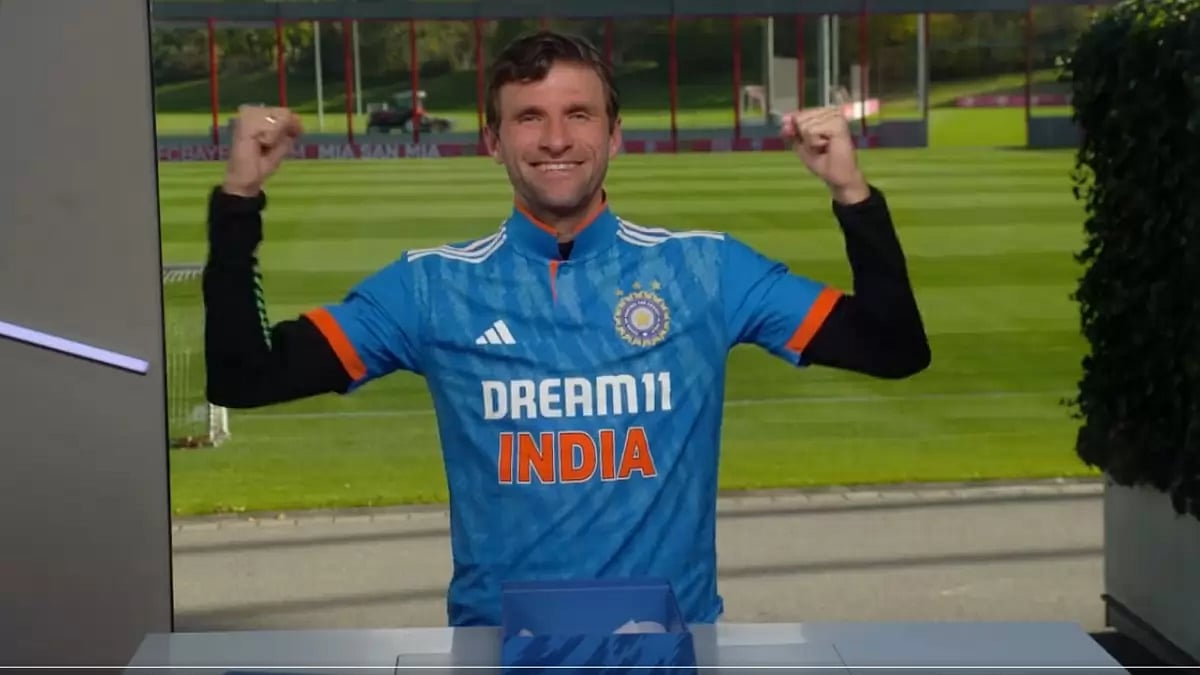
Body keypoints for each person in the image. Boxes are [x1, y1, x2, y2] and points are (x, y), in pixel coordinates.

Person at [202, 30, 930, 627]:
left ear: (614, 134)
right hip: (500, 654)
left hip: (667, 652)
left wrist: (851, 193)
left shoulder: (707, 270)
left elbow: (892, 349)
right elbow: (246, 376)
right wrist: (239, 199)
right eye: (529, 117)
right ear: (493, 140)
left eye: (578, 115)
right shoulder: (431, 286)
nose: (556, 139)